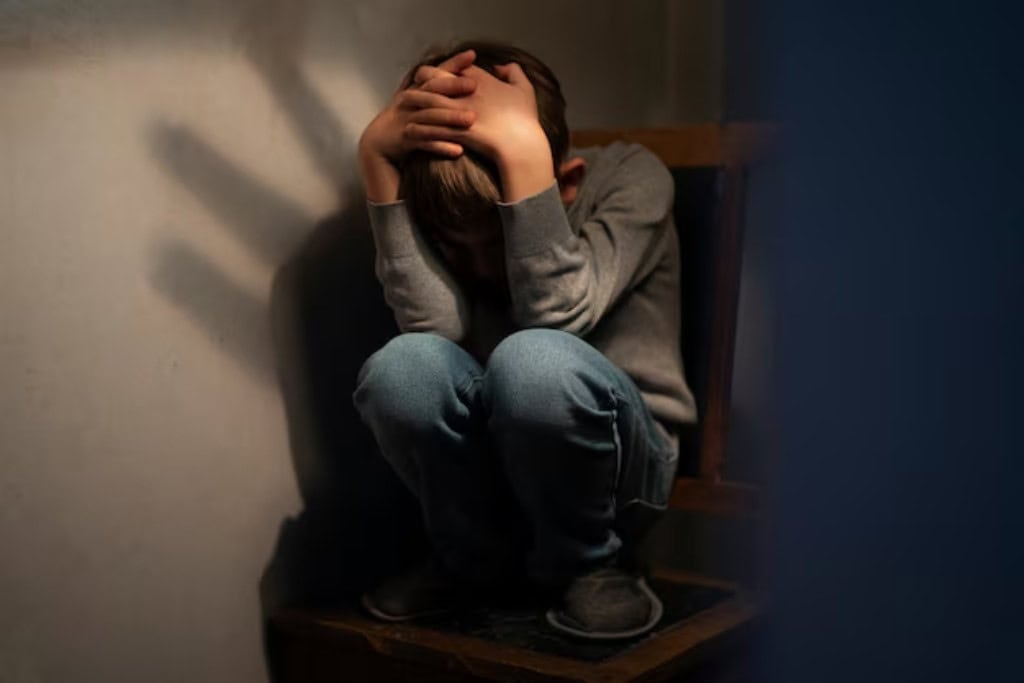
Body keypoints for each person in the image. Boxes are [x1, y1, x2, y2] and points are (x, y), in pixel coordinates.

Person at [352, 40, 696, 640]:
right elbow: (438, 334)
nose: (483, 270)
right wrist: (378, 163)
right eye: (456, 251)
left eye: (495, 246)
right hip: (497, 476)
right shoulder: (443, 202)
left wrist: (524, 158)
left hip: (620, 476)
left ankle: (590, 566)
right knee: (401, 368)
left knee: (532, 360)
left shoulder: (632, 180)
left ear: (567, 182)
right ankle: (473, 565)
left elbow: (556, 319)